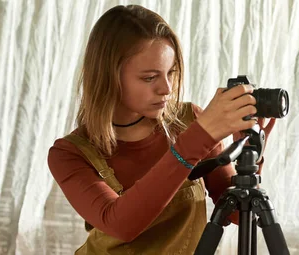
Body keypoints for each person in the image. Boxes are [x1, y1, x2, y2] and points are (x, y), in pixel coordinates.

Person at [47, 4, 276, 254]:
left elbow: (237, 214)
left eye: (171, 73)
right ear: (108, 77)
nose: (166, 88)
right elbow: (121, 224)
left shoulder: (188, 120)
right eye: (149, 78)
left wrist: (250, 154)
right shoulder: (69, 154)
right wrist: (200, 136)